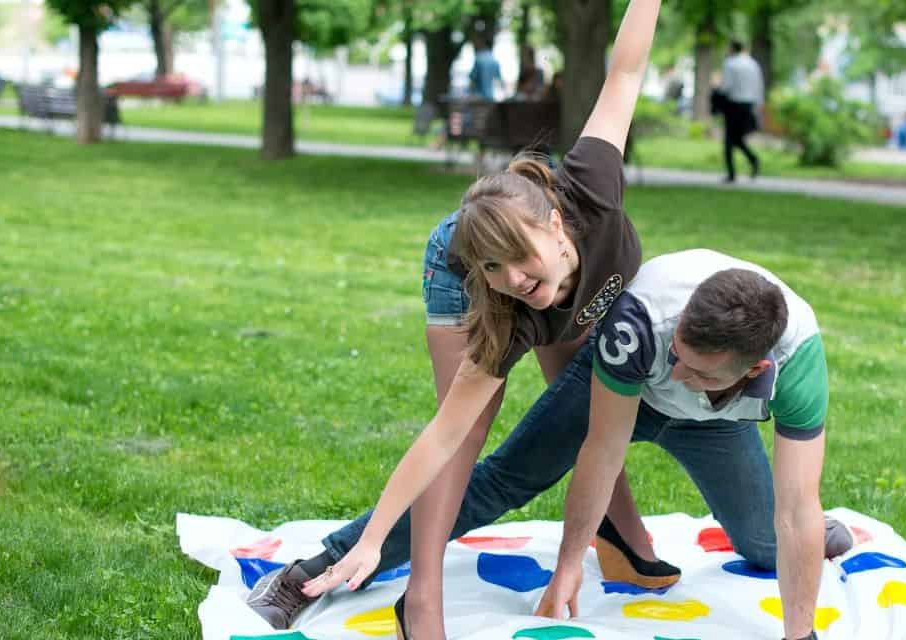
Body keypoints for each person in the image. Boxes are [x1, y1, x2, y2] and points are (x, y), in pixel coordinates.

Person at [245, 3, 668, 639]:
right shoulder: (504, 294)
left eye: (523, 264)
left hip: (525, 235)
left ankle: (623, 537)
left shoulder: (592, 187)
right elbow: (441, 437)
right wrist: (375, 538)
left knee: (582, 405)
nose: (516, 281)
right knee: (467, 436)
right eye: (504, 274)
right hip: (463, 251)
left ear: (558, 226)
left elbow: (626, 74)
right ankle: (419, 599)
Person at [527, 250, 849, 640]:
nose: (677, 373)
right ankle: (430, 533)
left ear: (754, 370)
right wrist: (568, 566)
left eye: (697, 370)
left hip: (716, 419)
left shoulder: (798, 358)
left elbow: (796, 509)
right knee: (505, 478)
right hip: (632, 389)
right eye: (678, 353)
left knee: (767, 546)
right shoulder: (639, 320)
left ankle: (820, 531)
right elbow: (602, 451)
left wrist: (800, 636)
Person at [718, 40, 765, 182]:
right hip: (749, 104)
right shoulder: (753, 64)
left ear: (732, 49)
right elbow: (759, 86)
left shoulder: (729, 64)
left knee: (729, 140)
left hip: (734, 104)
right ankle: (753, 159)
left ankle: (732, 173)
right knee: (737, 138)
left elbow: (727, 86)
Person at [469, 36, 504, 101]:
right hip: (490, 96)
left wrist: (470, 93)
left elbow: (472, 78)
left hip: (478, 96)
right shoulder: (495, 60)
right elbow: (499, 79)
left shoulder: (479, 58)